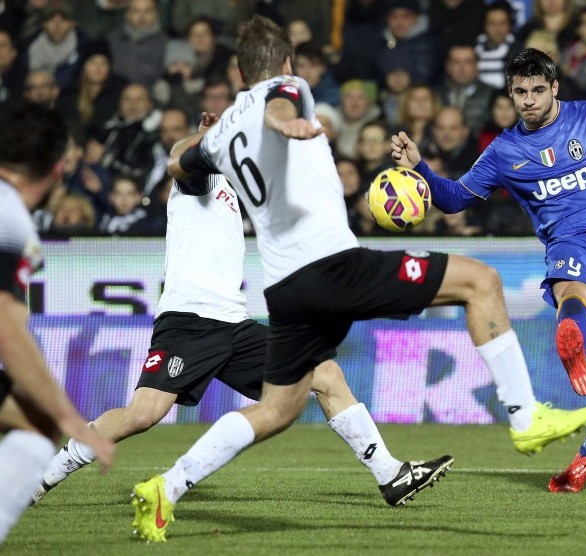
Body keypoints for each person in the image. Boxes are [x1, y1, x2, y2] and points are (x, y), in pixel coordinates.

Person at [132, 18, 586, 542]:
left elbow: (179, 161)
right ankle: (525, 415)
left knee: (277, 409)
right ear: (287, 64)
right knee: (480, 281)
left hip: (284, 290)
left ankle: (167, 486)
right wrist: (286, 124)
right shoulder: (287, 92)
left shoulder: (219, 134)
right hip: (332, 266)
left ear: (240, 71)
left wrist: (208, 136)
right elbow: (279, 106)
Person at [33, 115, 448, 509]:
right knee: (143, 414)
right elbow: (178, 160)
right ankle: (44, 475)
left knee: (325, 374)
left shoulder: (237, 190)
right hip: (189, 321)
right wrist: (202, 139)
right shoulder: (200, 178)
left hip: (235, 324)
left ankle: (390, 474)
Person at [391, 48, 586, 493]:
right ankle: (573, 334)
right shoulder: (505, 150)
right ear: (511, 94)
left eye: (536, 90)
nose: (528, 100)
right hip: (567, 241)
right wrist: (420, 168)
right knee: (574, 291)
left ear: (553, 88)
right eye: (519, 92)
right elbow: (454, 200)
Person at [0, 104, 115, 543]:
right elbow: (7, 329)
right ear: (58, 168)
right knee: (40, 423)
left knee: (31, 420)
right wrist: (69, 416)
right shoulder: (9, 216)